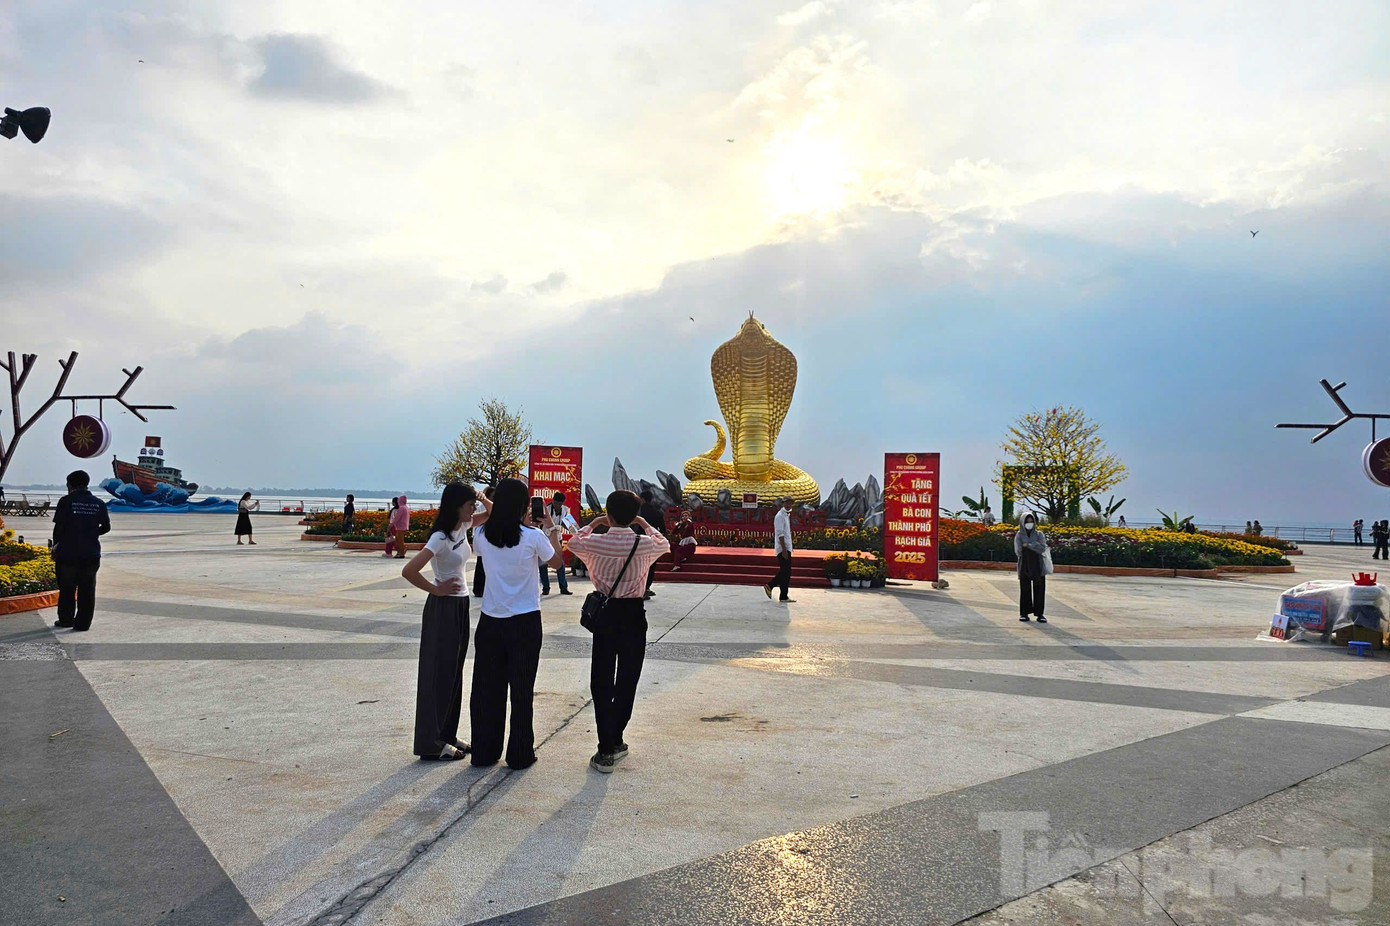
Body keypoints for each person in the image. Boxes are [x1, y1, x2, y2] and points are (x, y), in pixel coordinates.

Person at [567, 490, 671, 773]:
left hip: (606, 613)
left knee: (601, 678)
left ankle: (605, 746)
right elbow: (666, 544)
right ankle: (617, 738)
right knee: (628, 678)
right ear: (633, 515)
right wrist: (644, 523)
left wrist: (597, 523)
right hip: (633, 614)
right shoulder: (644, 543)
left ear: (609, 514)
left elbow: (574, 541)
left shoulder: (598, 542)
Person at [468, 477, 564, 769]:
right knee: (521, 691)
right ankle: (520, 752)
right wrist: (551, 528)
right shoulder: (533, 537)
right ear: (524, 505)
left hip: (490, 620)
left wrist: (491, 508)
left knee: (486, 689)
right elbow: (558, 562)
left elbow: (479, 545)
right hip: (525, 622)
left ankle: (485, 751)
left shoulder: (483, 534)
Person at [401, 483, 492, 761]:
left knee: (453, 673)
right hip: (442, 608)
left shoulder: (463, 527)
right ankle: (430, 742)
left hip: (460, 605)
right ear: (456, 506)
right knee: (437, 674)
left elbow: (493, 513)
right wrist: (435, 589)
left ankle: (447, 734)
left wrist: (481, 497)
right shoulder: (440, 537)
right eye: (468, 505)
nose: (473, 509)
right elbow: (409, 570)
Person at [50, 470, 110, 631]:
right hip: (90, 553)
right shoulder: (98, 503)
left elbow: (59, 527)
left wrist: (55, 546)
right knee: (87, 589)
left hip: (68, 551)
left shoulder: (66, 501)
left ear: (70, 484)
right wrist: (90, 534)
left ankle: (66, 620)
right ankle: (83, 623)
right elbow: (106, 527)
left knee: (67, 588)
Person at [540, 492, 578, 596]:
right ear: (552, 501)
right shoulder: (546, 509)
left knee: (560, 564)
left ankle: (563, 588)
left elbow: (569, 525)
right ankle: (546, 588)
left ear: (562, 503)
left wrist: (577, 533)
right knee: (543, 564)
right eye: (555, 503)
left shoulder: (565, 509)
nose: (557, 505)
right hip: (545, 538)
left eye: (559, 504)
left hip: (557, 538)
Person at [1015, 512, 1049, 623]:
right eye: (1027, 522)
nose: (1029, 524)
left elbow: (1042, 548)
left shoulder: (1039, 534)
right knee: (1025, 589)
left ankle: (1040, 614)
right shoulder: (1019, 535)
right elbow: (1019, 550)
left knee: (1039, 589)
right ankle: (1024, 613)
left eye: (1031, 521)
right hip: (1024, 564)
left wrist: (1028, 545)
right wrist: (1035, 545)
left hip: (1038, 565)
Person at [763, 496, 796, 603]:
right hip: (783, 548)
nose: (788, 505)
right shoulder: (780, 516)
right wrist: (784, 549)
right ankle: (770, 585)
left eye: (790, 503)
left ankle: (783, 596)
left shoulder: (786, 515)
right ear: (782, 503)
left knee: (786, 573)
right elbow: (780, 534)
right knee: (785, 572)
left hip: (787, 546)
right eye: (787, 503)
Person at [638, 490, 667, 599]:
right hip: (652, 542)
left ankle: (639, 588)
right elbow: (663, 529)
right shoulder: (657, 511)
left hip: (639, 541)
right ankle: (646, 588)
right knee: (651, 565)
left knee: (639, 565)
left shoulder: (638, 511)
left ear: (642, 499)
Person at [472, 485, 496, 598]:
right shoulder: (482, 507)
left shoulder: (493, 506)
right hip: (482, 537)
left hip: (489, 537)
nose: (493, 499)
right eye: (492, 497)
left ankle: (484, 588)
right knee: (481, 564)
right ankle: (478, 589)